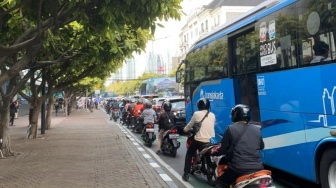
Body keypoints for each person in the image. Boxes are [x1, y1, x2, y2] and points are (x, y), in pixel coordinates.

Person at [214, 104, 264, 188]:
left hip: (238, 168)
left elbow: (222, 150)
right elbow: (261, 146)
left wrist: (216, 153)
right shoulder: (257, 129)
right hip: (258, 168)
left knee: (220, 182)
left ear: (235, 115)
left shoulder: (230, 129)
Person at [182, 98, 215, 181]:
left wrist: (185, 129)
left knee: (189, 153)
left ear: (199, 106)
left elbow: (190, 125)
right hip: (209, 141)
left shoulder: (196, 114)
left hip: (199, 141)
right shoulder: (212, 115)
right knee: (208, 155)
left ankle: (186, 173)